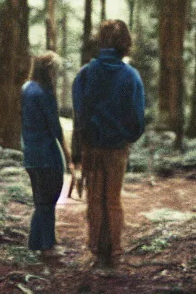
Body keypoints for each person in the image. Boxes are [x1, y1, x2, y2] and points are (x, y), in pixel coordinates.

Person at [72, 19, 146, 269]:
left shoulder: (85, 73)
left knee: (94, 198)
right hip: (117, 148)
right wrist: (127, 137)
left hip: (92, 146)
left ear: (101, 41)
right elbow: (137, 116)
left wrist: (82, 143)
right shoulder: (130, 76)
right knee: (113, 200)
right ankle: (114, 252)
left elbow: (79, 112)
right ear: (126, 43)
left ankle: (95, 249)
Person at [21, 52, 71, 257]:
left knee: (41, 199)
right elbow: (54, 125)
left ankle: (35, 241)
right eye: (54, 70)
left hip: (30, 153)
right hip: (46, 154)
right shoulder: (44, 93)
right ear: (48, 70)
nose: (56, 75)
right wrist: (67, 152)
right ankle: (48, 246)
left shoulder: (27, 88)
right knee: (49, 198)